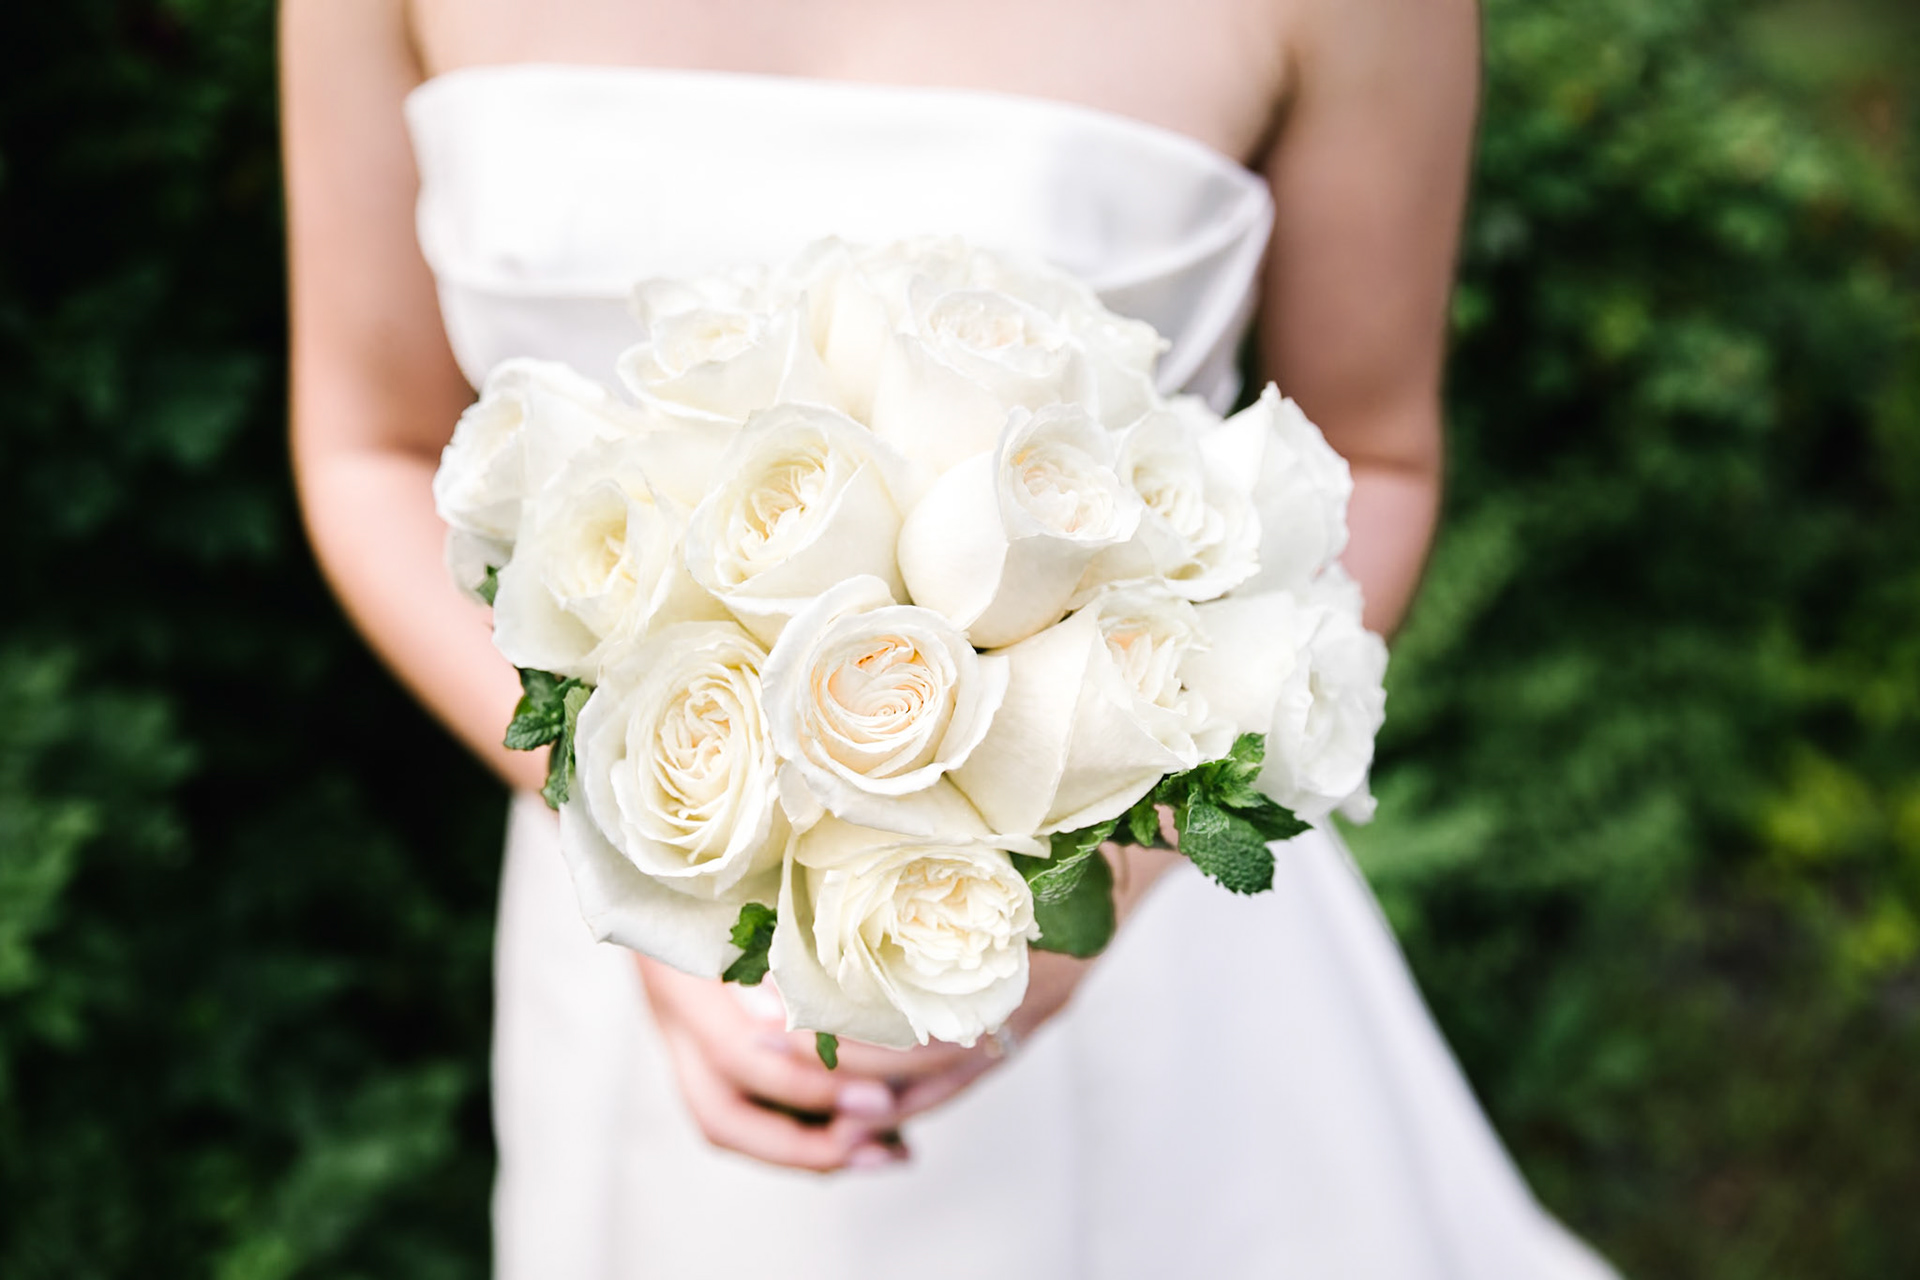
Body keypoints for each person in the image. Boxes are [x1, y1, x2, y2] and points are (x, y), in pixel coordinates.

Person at [281, 0, 1620, 1274]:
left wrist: (1089, 898)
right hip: (642, 896)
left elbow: (1373, 454)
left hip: (1135, 931)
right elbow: (370, 448)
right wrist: (659, 859)